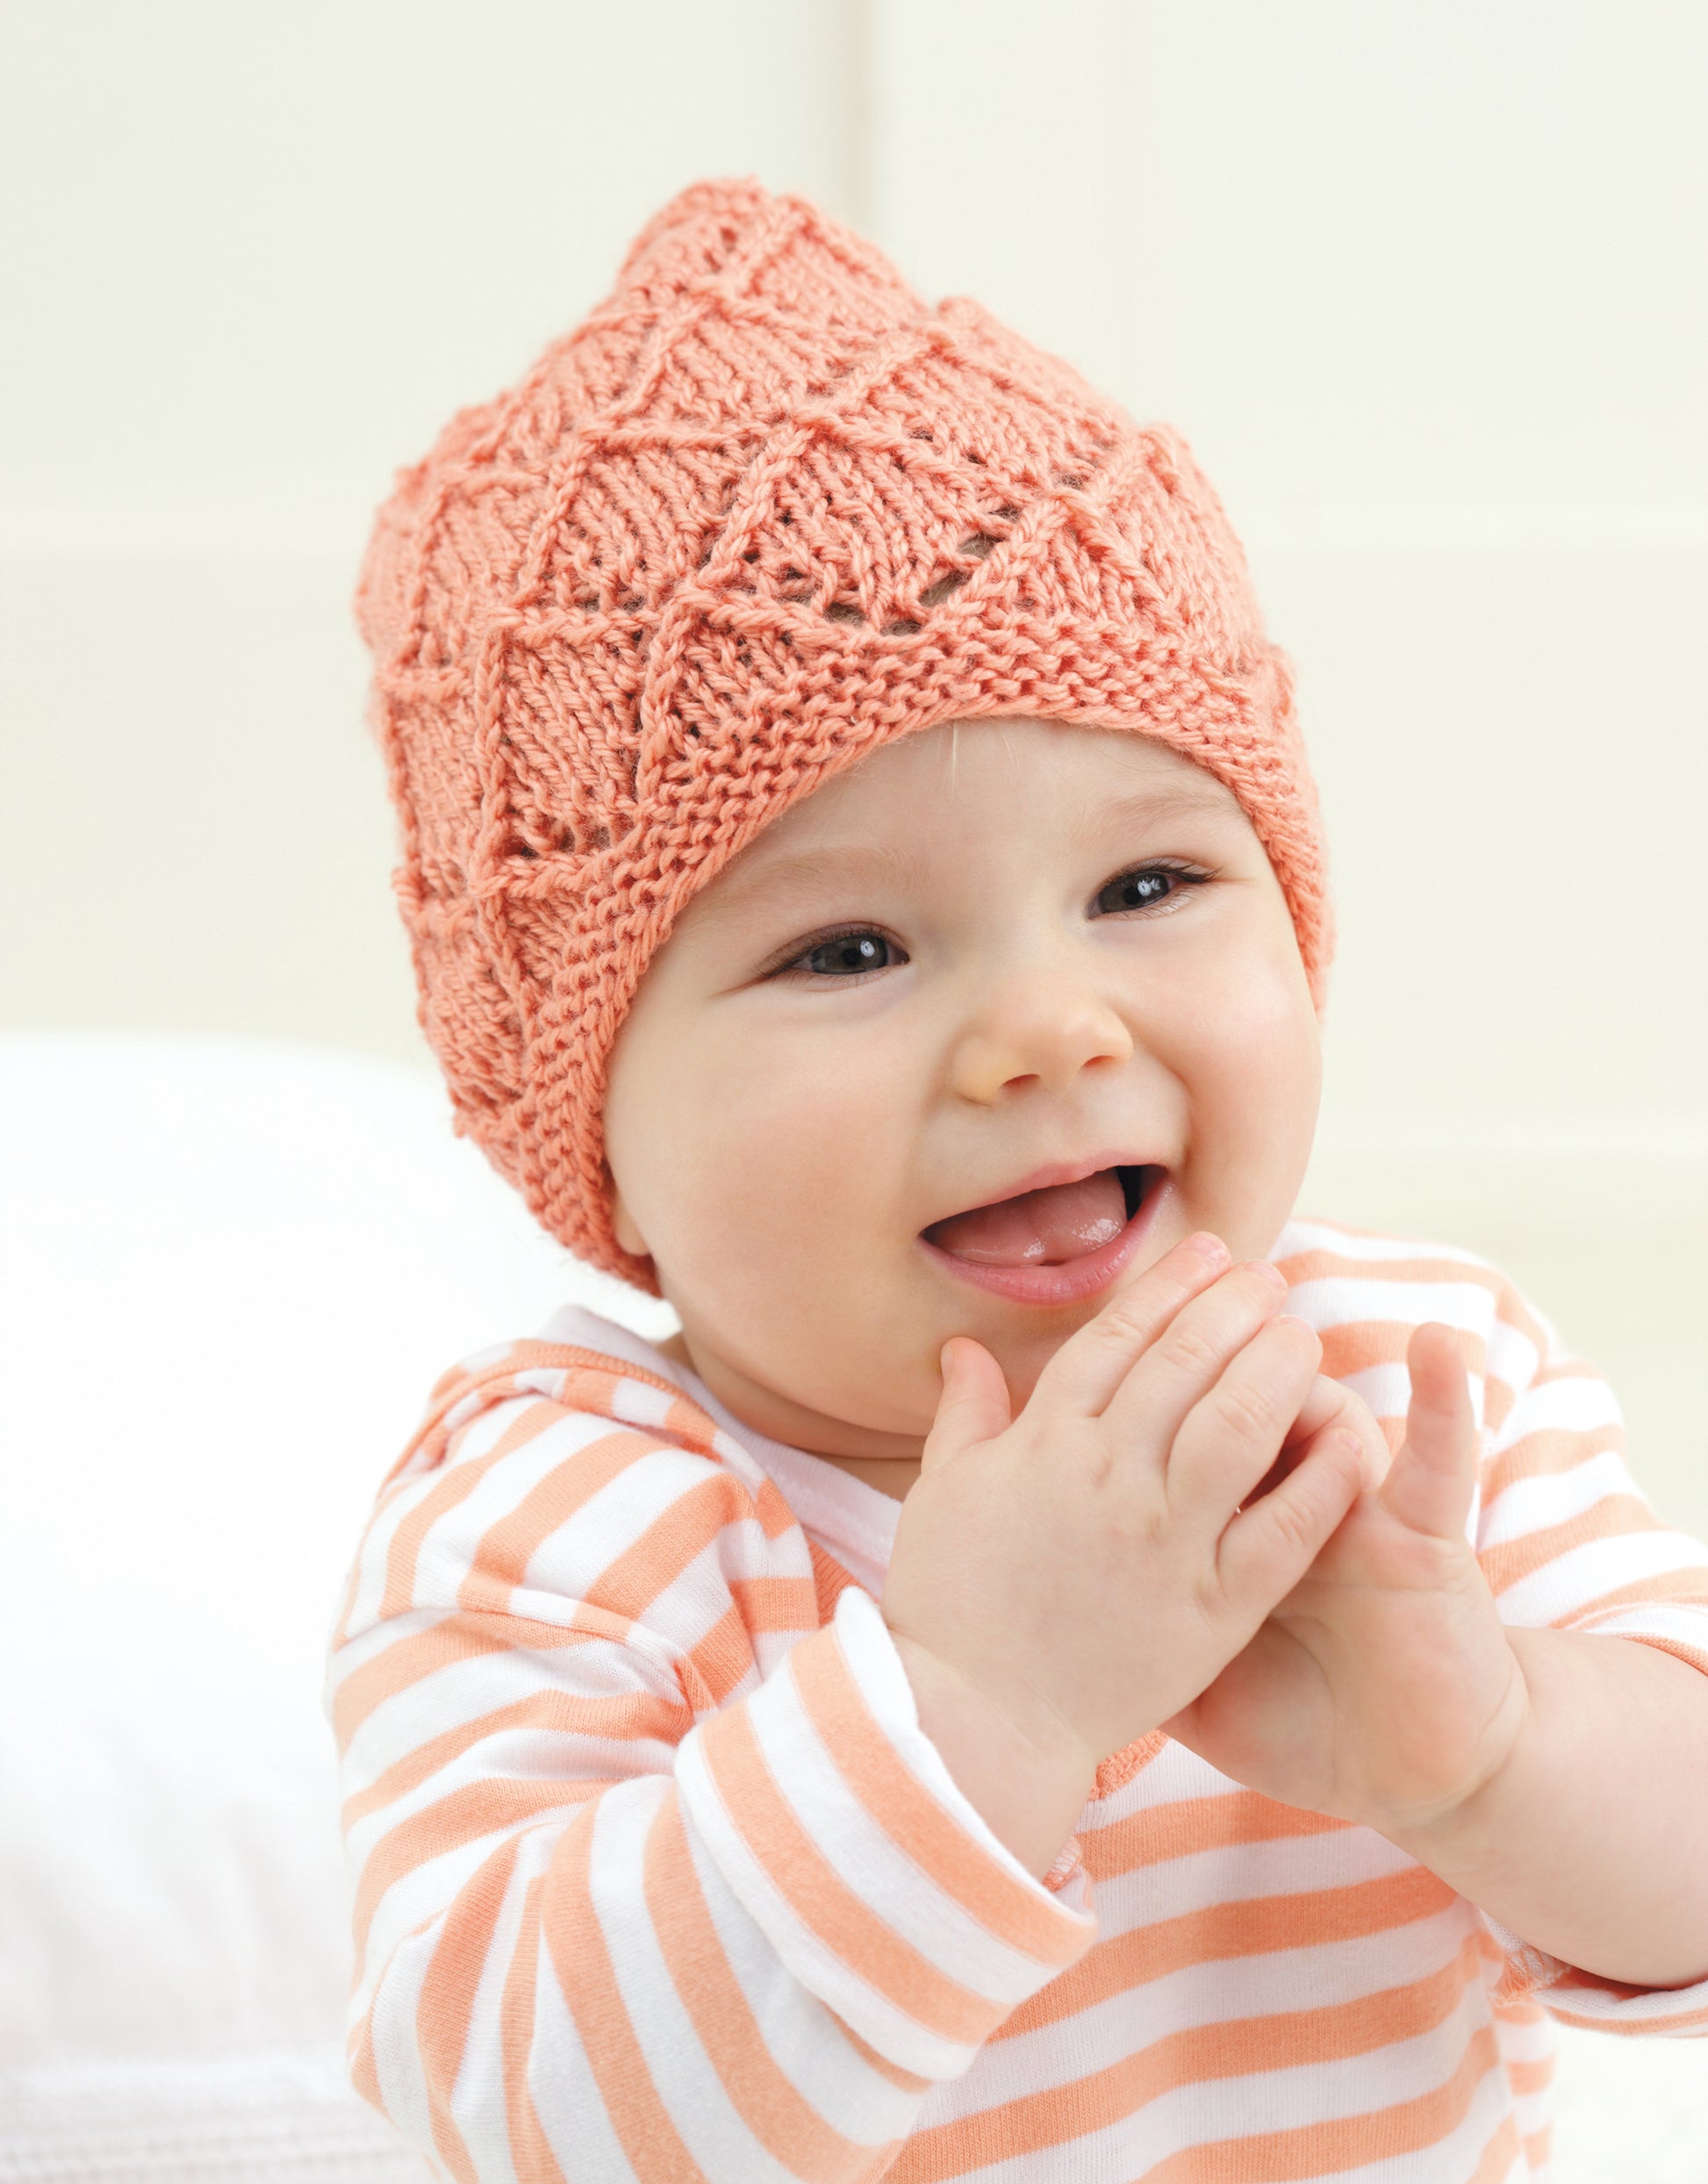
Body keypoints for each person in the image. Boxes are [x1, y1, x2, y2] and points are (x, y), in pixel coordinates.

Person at [330, 178, 1708, 2182]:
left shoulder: (1417, 1385)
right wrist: (978, 1697)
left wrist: (1491, 1744)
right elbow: (530, 2112)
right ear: (588, 1119)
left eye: (1146, 884)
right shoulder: (564, 1518)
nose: (1046, 1030)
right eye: (849, 951)